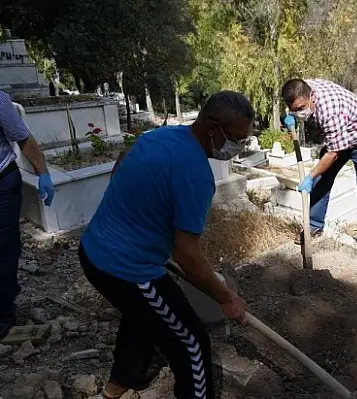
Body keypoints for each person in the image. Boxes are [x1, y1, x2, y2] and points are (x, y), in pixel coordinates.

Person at [79, 91, 253, 399]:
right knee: (193, 343)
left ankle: (118, 384)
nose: (238, 148)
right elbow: (186, 252)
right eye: (237, 139)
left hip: (92, 248)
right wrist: (227, 298)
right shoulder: (196, 176)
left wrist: (137, 210)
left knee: (143, 316)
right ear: (213, 129)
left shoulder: (160, 136)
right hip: (125, 269)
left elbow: (121, 163)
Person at [281, 78, 357, 269]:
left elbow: (333, 153)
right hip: (341, 137)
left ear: (312, 96)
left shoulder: (330, 109)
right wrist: (289, 118)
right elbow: (296, 101)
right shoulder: (302, 88)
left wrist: (310, 177)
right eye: (294, 110)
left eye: (301, 108)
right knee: (322, 181)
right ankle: (313, 227)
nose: (299, 113)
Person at [0, 90, 54, 341]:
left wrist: (43, 172)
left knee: (4, 246)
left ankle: (4, 311)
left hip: (2, 182)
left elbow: (23, 138)